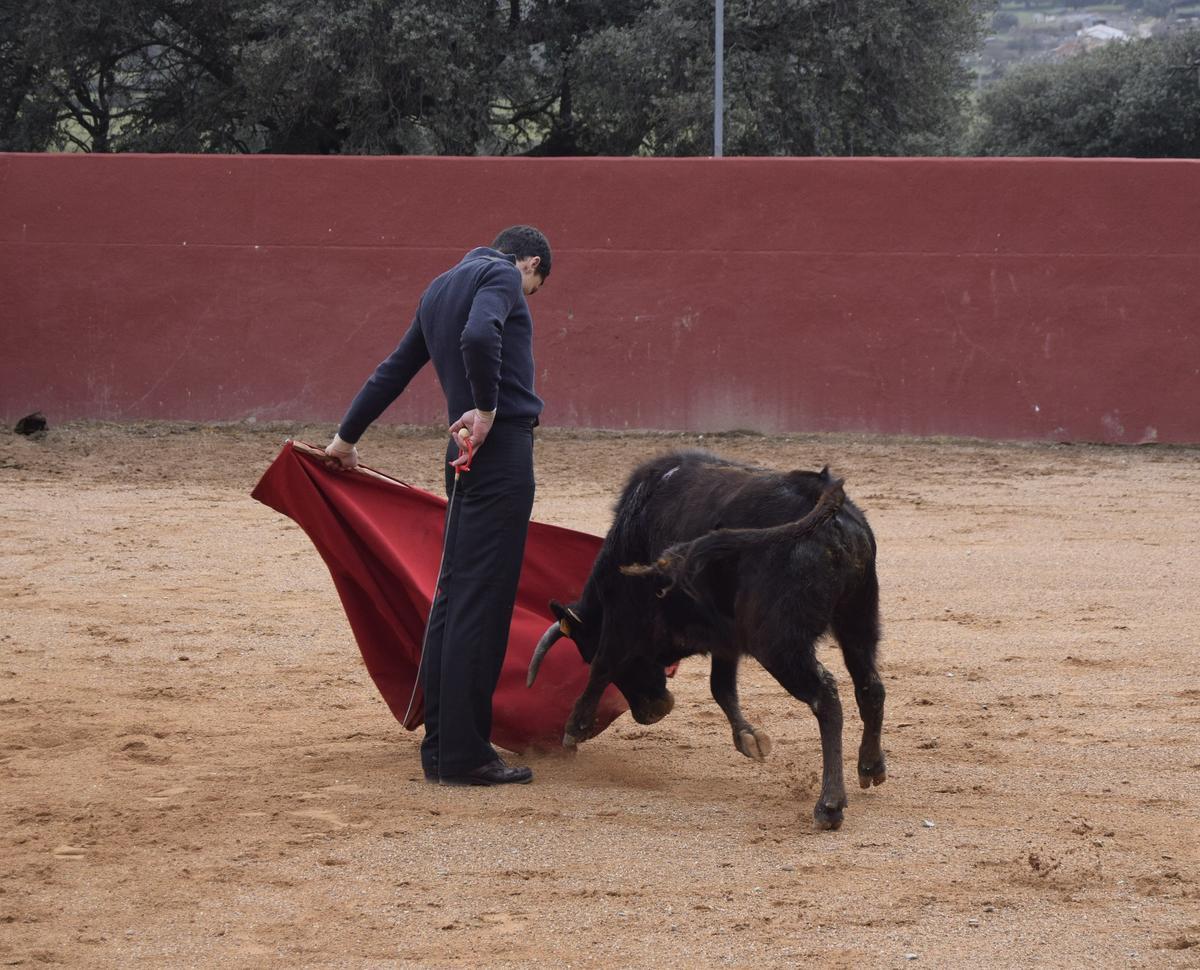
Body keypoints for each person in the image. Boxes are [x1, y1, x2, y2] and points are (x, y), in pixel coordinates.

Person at [323, 225, 551, 787]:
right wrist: (488, 409)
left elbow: (393, 370)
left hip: (463, 452)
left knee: (454, 594)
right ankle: (465, 755)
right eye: (534, 287)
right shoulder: (500, 273)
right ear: (529, 262)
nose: (525, 297)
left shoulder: (439, 287)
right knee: (484, 600)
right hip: (495, 448)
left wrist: (346, 438)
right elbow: (480, 337)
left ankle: (445, 746)